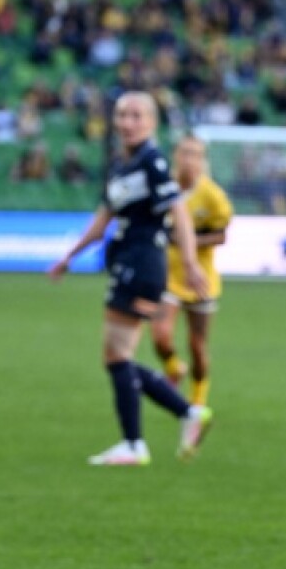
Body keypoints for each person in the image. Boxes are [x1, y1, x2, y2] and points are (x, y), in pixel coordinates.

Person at [48, 92, 214, 466]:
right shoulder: (123, 165)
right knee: (116, 356)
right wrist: (69, 257)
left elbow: (179, 213)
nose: (127, 121)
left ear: (151, 122)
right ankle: (184, 414)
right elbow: (103, 218)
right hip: (129, 263)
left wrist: (189, 262)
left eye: (136, 115)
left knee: (116, 355)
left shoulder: (152, 161)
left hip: (142, 266)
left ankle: (136, 443)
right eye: (122, 114)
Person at [151, 134, 233, 408]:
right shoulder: (163, 187)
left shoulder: (212, 196)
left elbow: (221, 236)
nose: (189, 159)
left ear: (202, 160)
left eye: (195, 154)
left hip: (201, 280)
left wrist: (188, 240)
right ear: (175, 156)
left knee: (197, 346)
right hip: (169, 277)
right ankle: (174, 367)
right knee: (160, 336)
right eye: (185, 153)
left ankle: (197, 400)